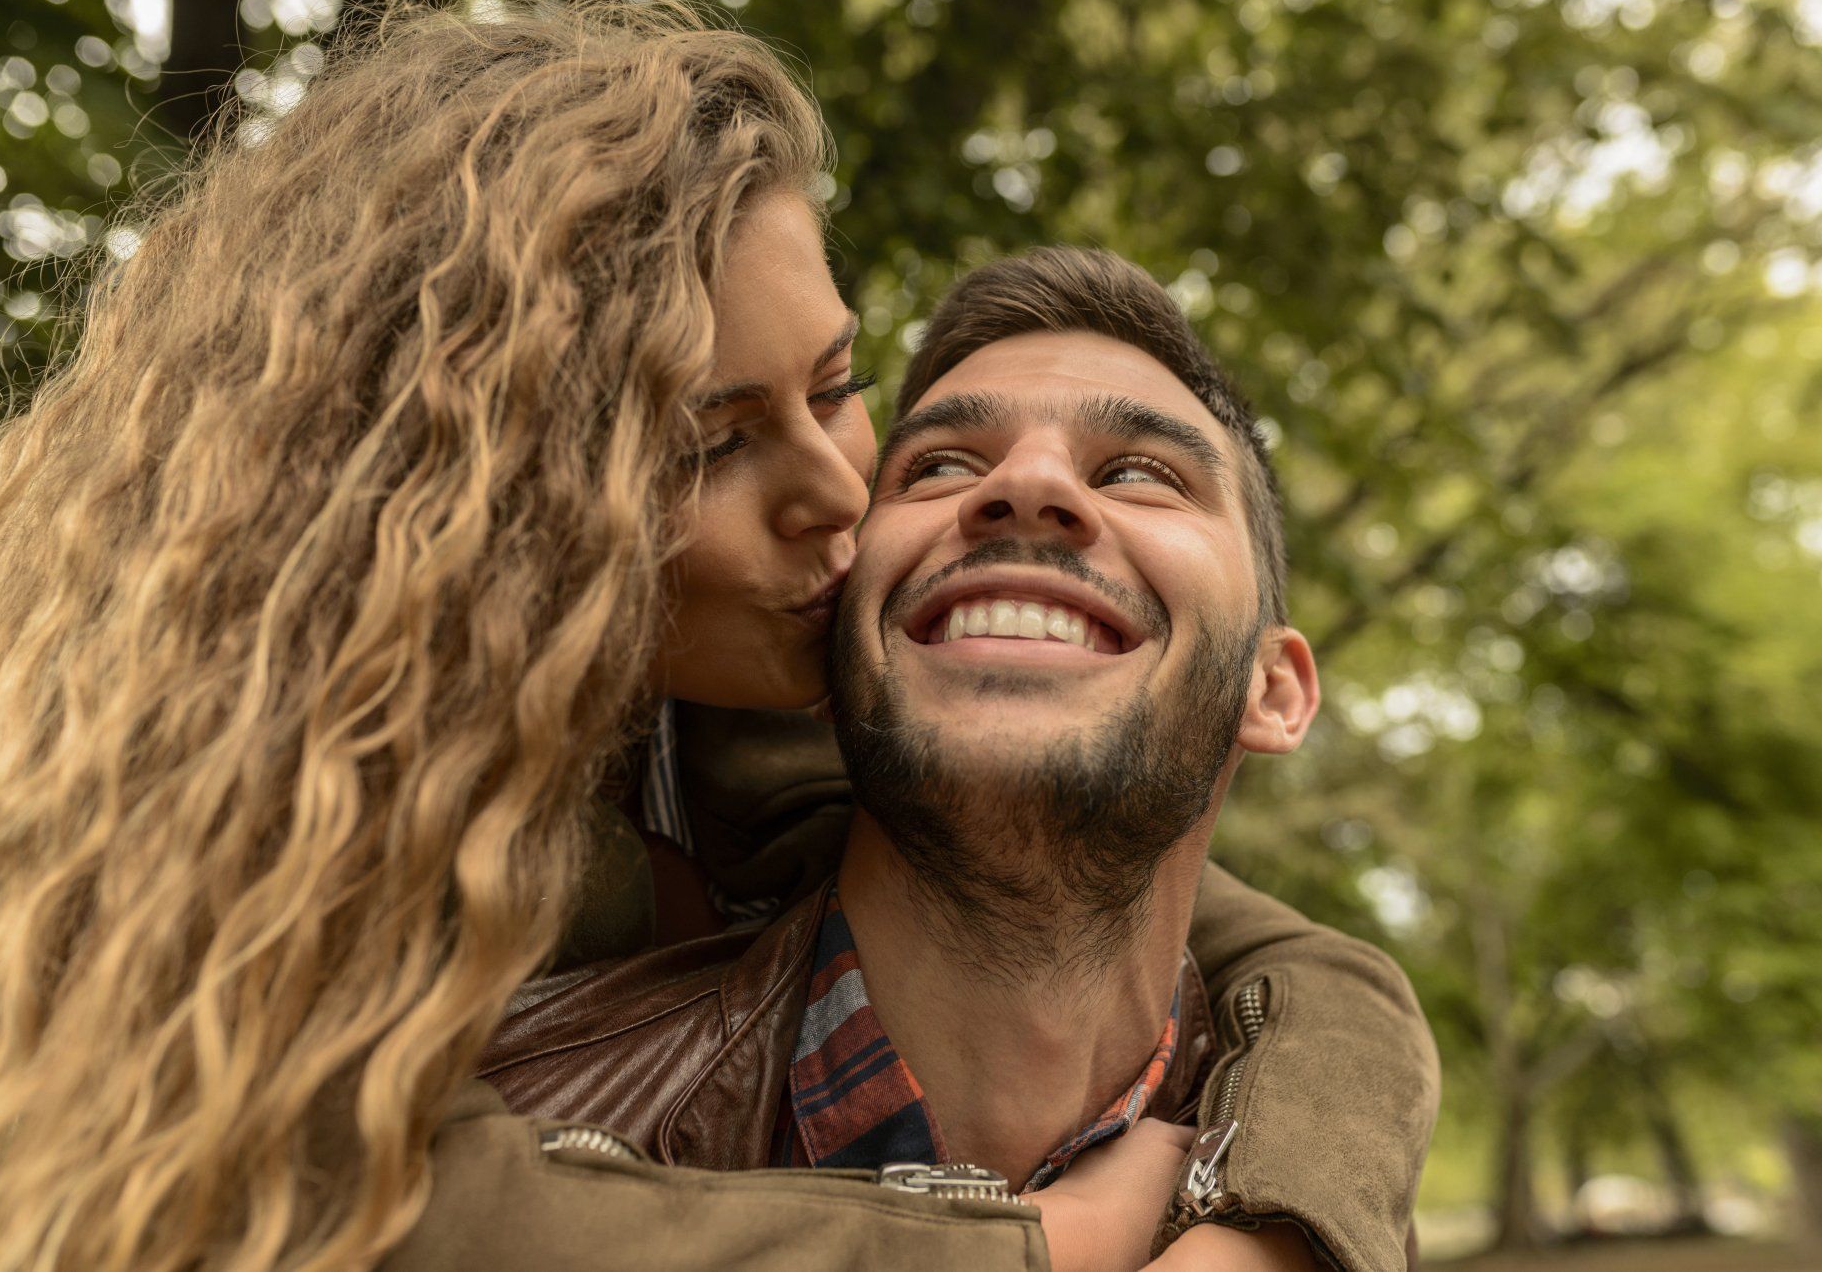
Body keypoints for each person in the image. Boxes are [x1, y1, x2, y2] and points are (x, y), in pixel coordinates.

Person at [0, 0, 1432, 1271]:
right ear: (478, 517)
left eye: (839, 382)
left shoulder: (756, 713)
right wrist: (1030, 1243)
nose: (841, 485)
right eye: (709, 447)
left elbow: (1301, 967)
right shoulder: (246, 785)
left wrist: (1275, 1222)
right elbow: (340, 1208)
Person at [482, 248, 1441, 1272]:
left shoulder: (1310, 1199)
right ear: (828, 637)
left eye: (1139, 473)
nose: (1026, 483)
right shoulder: (484, 1134)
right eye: (939, 465)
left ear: (1275, 688)